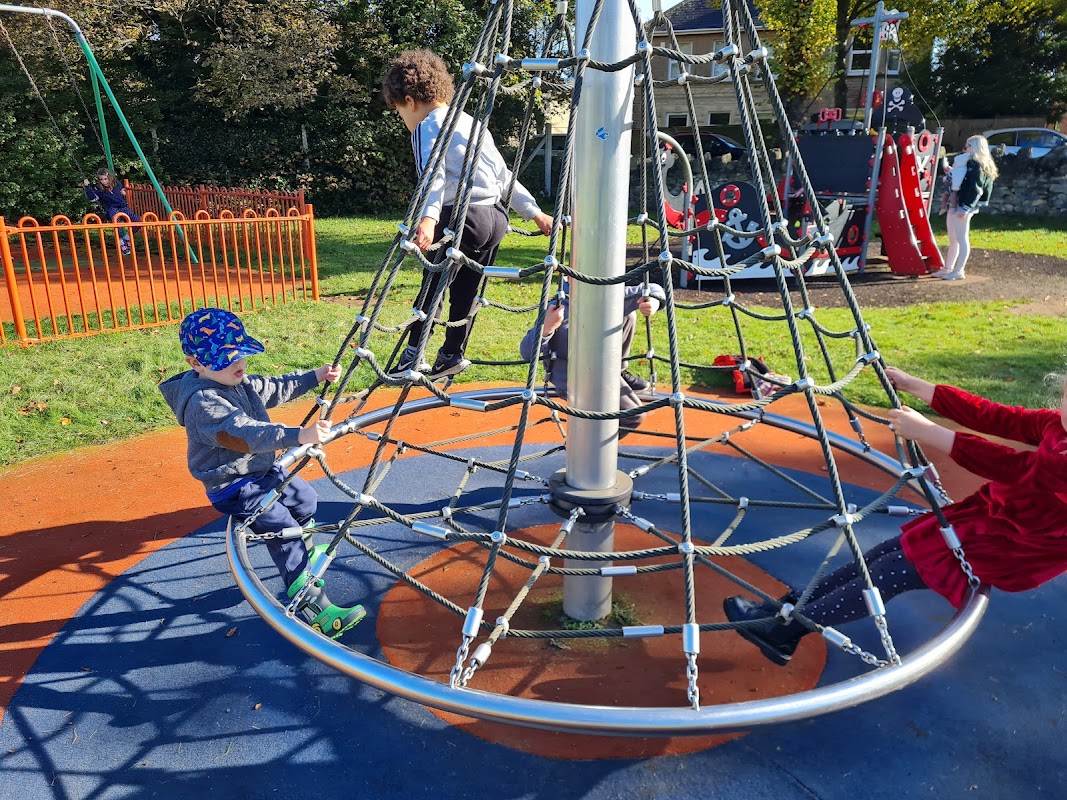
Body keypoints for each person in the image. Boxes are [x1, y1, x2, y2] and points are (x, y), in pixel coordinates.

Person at [724, 364, 1067, 665]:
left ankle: (789, 630)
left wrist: (932, 434)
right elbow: (995, 416)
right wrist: (918, 386)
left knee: (895, 570)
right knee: (882, 554)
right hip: (993, 518)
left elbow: (1018, 467)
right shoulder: (1057, 426)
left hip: (1017, 547)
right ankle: (783, 611)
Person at [159, 308, 366, 640]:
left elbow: (274, 387)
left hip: (259, 470)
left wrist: (315, 375)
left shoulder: (235, 380)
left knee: (304, 498)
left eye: (241, 354)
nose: (238, 363)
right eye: (227, 359)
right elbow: (245, 434)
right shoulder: (203, 404)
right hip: (232, 484)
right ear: (195, 363)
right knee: (282, 528)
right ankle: (313, 605)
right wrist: (299, 435)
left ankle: (304, 555)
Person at [381, 49, 553, 379]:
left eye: (399, 111)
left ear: (409, 100)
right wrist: (534, 213)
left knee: (433, 285)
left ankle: (413, 356)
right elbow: (504, 175)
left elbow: (433, 173)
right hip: (494, 219)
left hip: (459, 217)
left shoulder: (428, 126)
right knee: (468, 290)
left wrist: (429, 218)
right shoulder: (472, 123)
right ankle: (451, 354)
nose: (403, 120)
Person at [519, 282, 667, 431]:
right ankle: (583, 445)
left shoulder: (608, 295)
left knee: (628, 314)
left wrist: (653, 300)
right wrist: (547, 328)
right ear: (570, 277)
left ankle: (619, 371)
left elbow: (652, 288)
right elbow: (526, 352)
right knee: (633, 415)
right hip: (572, 378)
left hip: (602, 367)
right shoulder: (558, 307)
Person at [932, 135, 997, 281]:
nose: (964, 149)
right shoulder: (973, 163)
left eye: (967, 146)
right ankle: (949, 268)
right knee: (954, 238)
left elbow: (975, 188)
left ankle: (958, 270)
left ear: (974, 147)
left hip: (963, 204)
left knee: (960, 238)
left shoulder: (976, 164)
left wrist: (966, 207)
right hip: (958, 203)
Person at [82, 168, 141, 255]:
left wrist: (123, 192)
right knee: (117, 224)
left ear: (109, 177)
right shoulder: (99, 189)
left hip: (123, 207)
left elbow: (122, 190)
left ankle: (127, 238)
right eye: (101, 179)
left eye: (105, 179)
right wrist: (87, 187)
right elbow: (92, 198)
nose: (104, 181)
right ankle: (122, 244)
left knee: (137, 222)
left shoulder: (117, 184)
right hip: (111, 208)